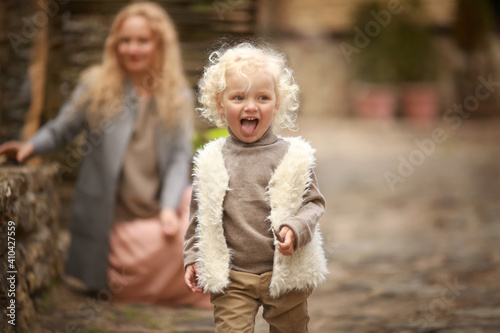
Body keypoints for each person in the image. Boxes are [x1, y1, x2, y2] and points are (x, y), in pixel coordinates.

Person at [0, 2, 210, 307]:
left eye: (142, 41)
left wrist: (167, 209)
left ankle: (171, 276)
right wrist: (30, 146)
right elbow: (61, 130)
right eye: (125, 40)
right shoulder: (96, 85)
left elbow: (180, 157)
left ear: (159, 44)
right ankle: (148, 279)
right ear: (114, 44)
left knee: (202, 216)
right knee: (176, 250)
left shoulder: (176, 95)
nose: (132, 48)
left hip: (157, 212)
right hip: (114, 220)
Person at [183, 42, 328, 332]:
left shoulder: (293, 156)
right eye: (238, 97)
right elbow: (200, 216)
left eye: (262, 97)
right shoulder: (212, 159)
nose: (251, 106)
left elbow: (314, 203)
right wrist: (191, 257)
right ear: (220, 106)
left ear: (277, 104)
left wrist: (296, 228)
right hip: (233, 277)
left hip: (285, 274)